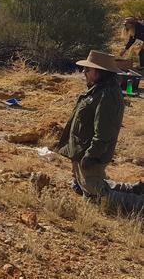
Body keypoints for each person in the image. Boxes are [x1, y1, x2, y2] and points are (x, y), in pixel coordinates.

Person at [57, 50, 144, 215]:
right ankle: (135, 189)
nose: (84, 72)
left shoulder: (107, 95)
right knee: (87, 186)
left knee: (97, 195)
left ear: (99, 73)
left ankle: (138, 203)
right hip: (83, 149)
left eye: (88, 70)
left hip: (91, 152)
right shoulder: (97, 89)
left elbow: (103, 132)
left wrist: (91, 155)